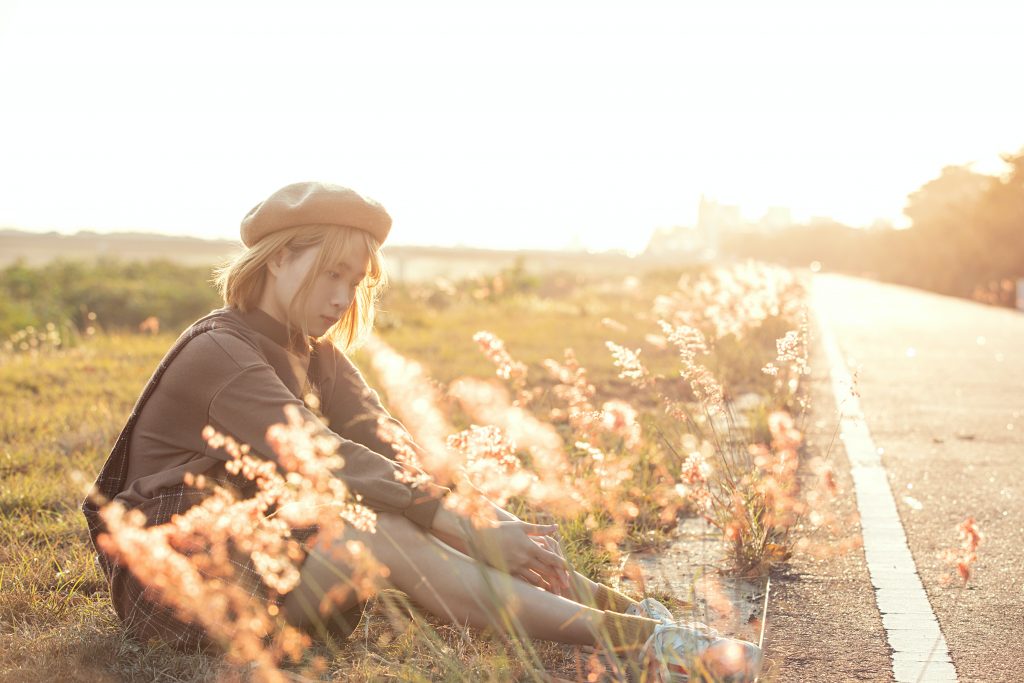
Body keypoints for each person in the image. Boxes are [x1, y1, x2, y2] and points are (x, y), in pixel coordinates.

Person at [81, 181, 762, 681]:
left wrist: (493, 522)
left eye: (356, 280)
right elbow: (327, 457)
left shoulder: (314, 352)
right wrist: (459, 524)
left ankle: (654, 626)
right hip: (182, 587)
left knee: (405, 513)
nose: (343, 296)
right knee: (374, 525)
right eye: (331, 272)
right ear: (280, 259)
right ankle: (634, 637)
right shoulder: (220, 352)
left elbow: (390, 446)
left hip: (271, 567)